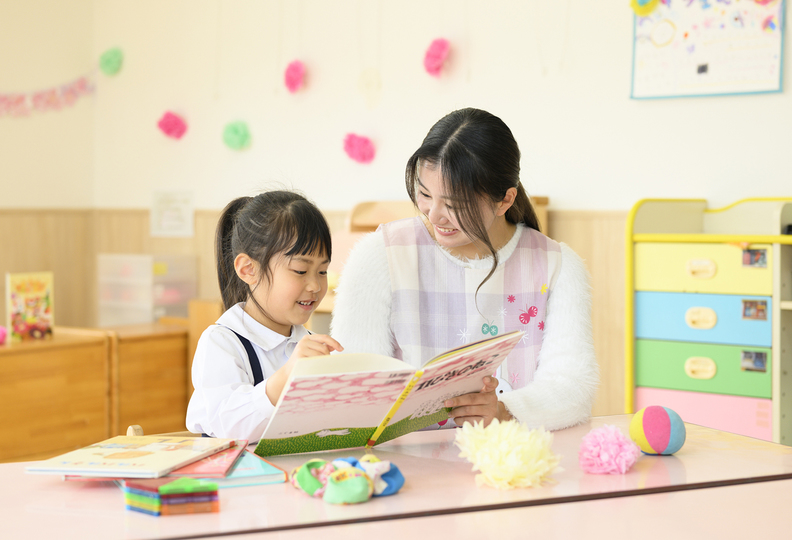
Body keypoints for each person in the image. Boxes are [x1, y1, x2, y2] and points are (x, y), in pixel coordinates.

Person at [331, 108, 598, 431]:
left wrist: (504, 409)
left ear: (504, 200)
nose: (434, 215)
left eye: (455, 205)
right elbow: (354, 385)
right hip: (402, 467)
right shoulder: (380, 256)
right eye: (425, 195)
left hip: (512, 463)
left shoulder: (557, 265)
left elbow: (572, 388)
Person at [186, 190, 343, 440]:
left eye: (322, 272)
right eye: (301, 271)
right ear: (249, 270)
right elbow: (226, 423)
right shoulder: (221, 343)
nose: (315, 285)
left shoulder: (310, 345)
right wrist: (286, 376)